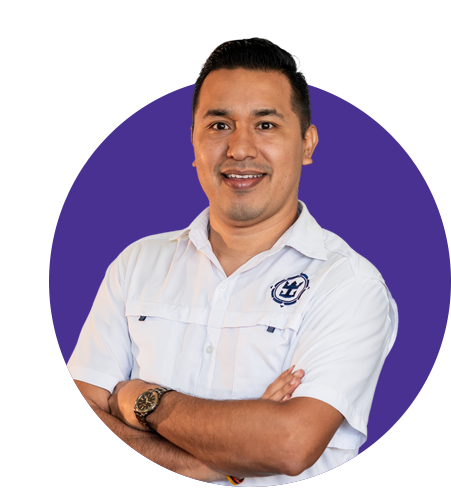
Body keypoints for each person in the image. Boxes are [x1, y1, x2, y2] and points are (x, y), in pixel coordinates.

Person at [67, 37, 398, 486]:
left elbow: (288, 444)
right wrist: (214, 460)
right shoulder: (136, 265)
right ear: (194, 141)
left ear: (306, 144)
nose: (240, 149)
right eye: (219, 125)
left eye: (266, 125)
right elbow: (75, 427)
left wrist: (143, 400)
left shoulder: (348, 285)